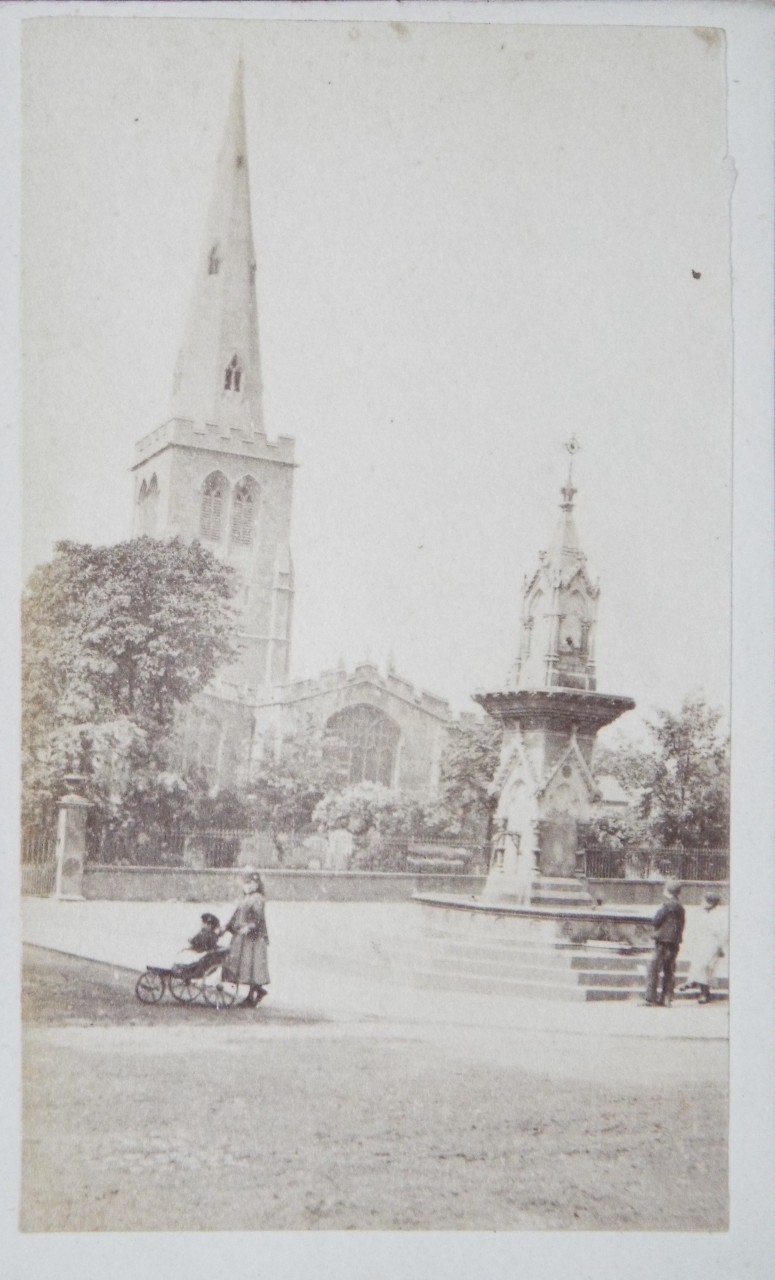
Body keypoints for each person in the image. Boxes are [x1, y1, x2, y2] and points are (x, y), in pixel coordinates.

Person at [223, 869, 270, 1008]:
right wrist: (226, 927)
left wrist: (249, 927)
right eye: (247, 883)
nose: (250, 886)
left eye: (253, 883)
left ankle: (253, 995)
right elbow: (236, 915)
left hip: (253, 938)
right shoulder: (245, 898)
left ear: (258, 885)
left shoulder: (258, 899)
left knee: (251, 966)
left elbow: (258, 918)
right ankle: (255, 993)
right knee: (244, 965)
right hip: (243, 937)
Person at [641, 879, 685, 1007]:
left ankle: (650, 998)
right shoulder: (680, 907)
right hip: (674, 942)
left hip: (663, 941)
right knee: (669, 970)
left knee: (653, 969)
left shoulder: (666, 905)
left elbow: (656, 920)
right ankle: (667, 998)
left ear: (667, 891)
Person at [679, 891, 728, 1004]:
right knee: (700, 966)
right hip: (702, 944)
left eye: (704, 900)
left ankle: (698, 988)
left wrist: (721, 947)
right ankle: (698, 987)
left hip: (713, 944)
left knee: (705, 966)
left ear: (710, 903)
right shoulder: (702, 914)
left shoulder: (719, 915)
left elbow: (722, 932)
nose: (701, 903)